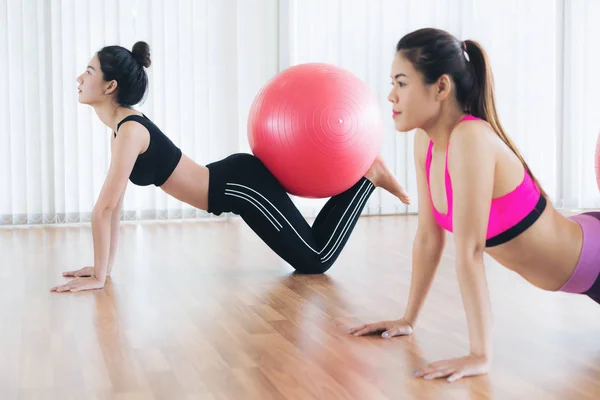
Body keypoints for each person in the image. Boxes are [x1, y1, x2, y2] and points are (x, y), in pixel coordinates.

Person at [50, 41, 410, 293]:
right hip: (235, 182)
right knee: (311, 254)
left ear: (110, 85)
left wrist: (98, 275)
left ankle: (367, 177)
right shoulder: (122, 128)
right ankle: (366, 177)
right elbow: (114, 211)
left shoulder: (130, 130)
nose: (79, 78)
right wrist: (103, 270)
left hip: (240, 188)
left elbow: (106, 207)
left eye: (88, 71)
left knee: (315, 261)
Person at [349, 28, 600, 383]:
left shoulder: (471, 138)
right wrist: (408, 319)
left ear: (441, 88)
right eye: (392, 83)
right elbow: (428, 238)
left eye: (401, 83)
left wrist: (480, 355)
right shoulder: (427, 143)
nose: (391, 96)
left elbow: (469, 251)